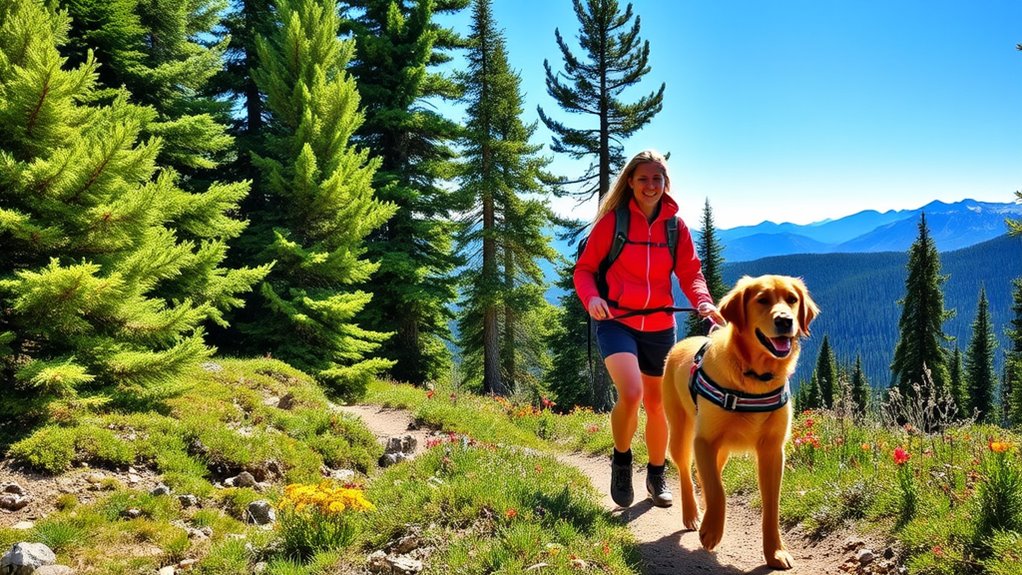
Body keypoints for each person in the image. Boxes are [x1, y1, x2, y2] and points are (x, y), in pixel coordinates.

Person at [574, 149, 725, 508]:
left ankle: (657, 475)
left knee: (658, 405)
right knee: (631, 394)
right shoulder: (613, 223)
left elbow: (690, 273)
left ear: (665, 182)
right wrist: (592, 298)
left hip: (659, 325)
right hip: (616, 322)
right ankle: (622, 461)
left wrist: (704, 302)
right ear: (630, 182)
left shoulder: (676, 227)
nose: (650, 185)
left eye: (657, 178)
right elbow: (584, 270)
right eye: (643, 178)